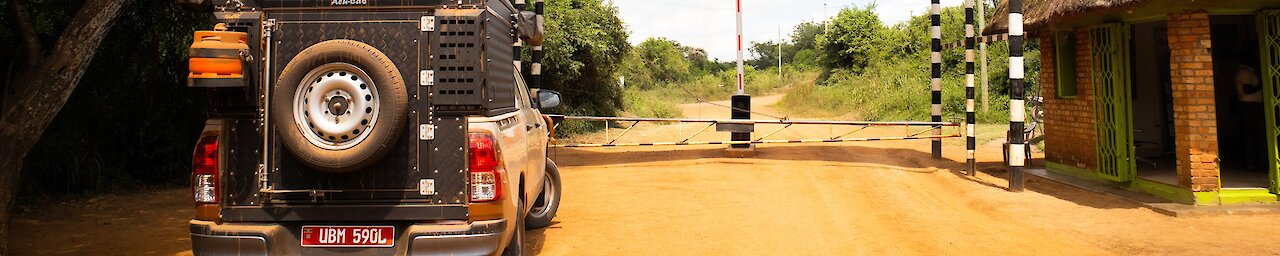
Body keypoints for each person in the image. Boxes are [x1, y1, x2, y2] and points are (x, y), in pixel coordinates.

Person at [1236, 60, 1264, 169]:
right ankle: (1252, 162)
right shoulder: (1244, 72)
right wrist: (1262, 84)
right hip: (1249, 106)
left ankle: (1252, 161)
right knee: (1252, 134)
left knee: (1250, 134)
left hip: (1249, 106)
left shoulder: (1247, 71)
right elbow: (1247, 89)